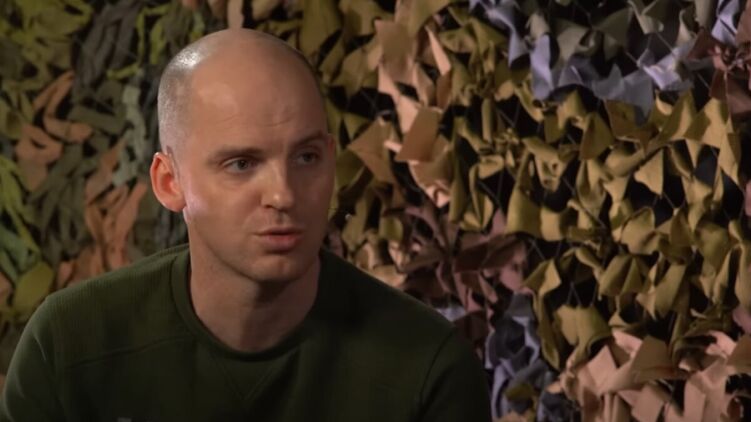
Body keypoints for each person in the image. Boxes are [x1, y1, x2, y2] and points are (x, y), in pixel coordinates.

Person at [0, 28, 491, 421]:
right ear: (170, 182)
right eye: (241, 164)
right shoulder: (70, 345)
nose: (283, 195)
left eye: (306, 157)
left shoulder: (426, 367)